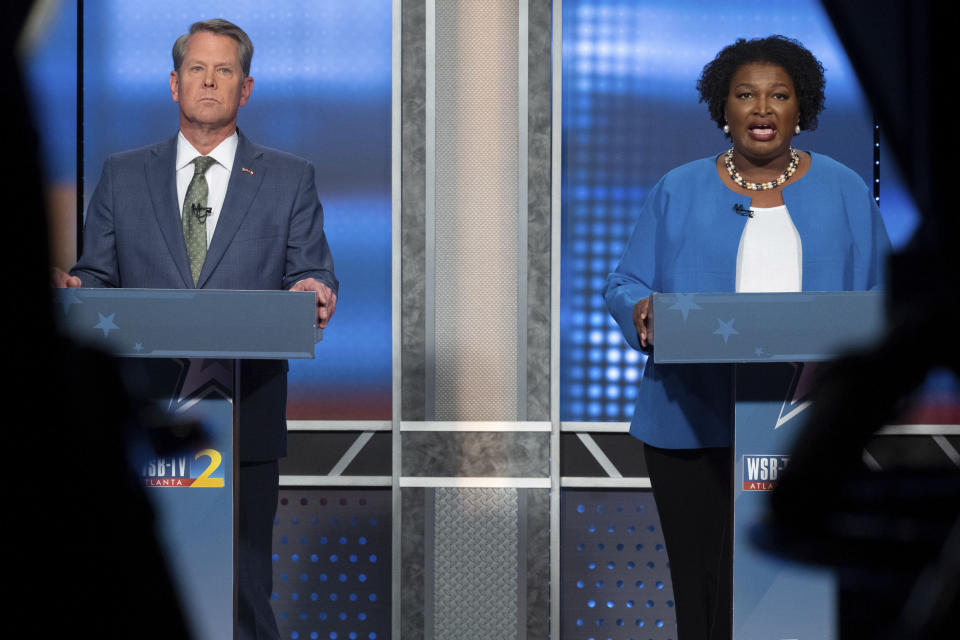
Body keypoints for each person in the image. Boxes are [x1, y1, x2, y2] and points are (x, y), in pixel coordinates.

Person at [51, 19, 338, 640]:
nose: (210, 82)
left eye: (225, 71)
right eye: (198, 70)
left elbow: (313, 273)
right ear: (174, 83)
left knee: (243, 594)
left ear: (247, 87)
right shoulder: (123, 175)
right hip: (148, 421)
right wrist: (73, 293)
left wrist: (314, 292)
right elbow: (95, 278)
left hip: (247, 419)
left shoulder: (290, 178)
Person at [603, 35, 889, 640]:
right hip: (690, 420)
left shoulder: (843, 190)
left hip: (804, 425)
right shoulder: (677, 189)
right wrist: (640, 309)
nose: (762, 108)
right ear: (723, 108)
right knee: (702, 587)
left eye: (779, 95)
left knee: (793, 589)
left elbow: (883, 297)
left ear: (800, 107)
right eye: (746, 95)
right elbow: (625, 282)